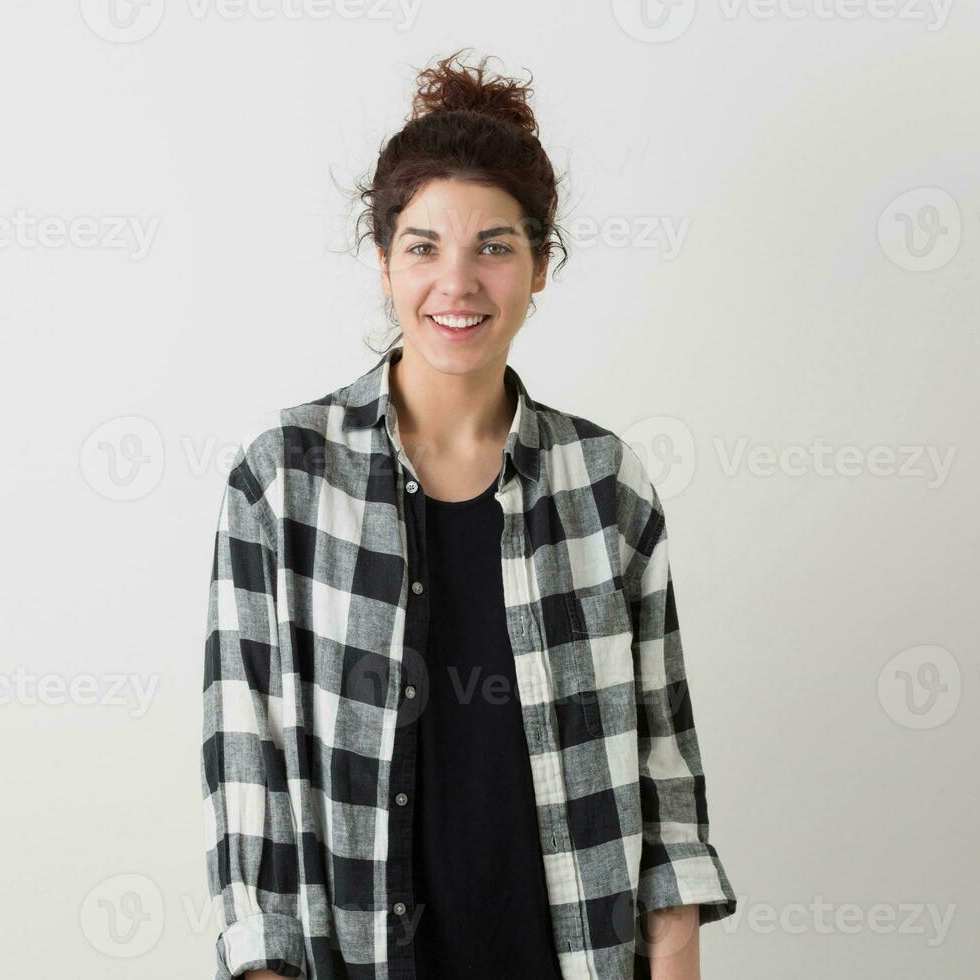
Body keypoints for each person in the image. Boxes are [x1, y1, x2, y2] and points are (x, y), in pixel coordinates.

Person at [203, 49, 737, 980]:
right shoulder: (282, 482)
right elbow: (249, 776)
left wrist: (678, 955)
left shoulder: (605, 483)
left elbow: (666, 772)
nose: (458, 283)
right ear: (383, 264)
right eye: (423, 247)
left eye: (495, 246)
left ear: (539, 269)